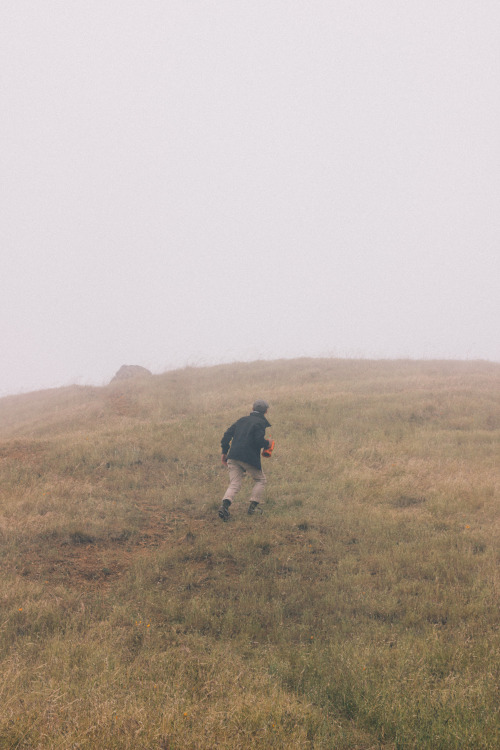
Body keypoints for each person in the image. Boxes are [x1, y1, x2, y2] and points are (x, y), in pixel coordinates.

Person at [218, 399, 272, 520]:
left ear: (252, 409)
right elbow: (258, 441)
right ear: (266, 411)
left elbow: (226, 435)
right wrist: (267, 443)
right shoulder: (260, 423)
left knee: (234, 483)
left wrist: (224, 452)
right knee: (260, 480)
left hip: (232, 456)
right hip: (248, 457)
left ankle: (224, 507)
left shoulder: (241, 420)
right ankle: (252, 508)